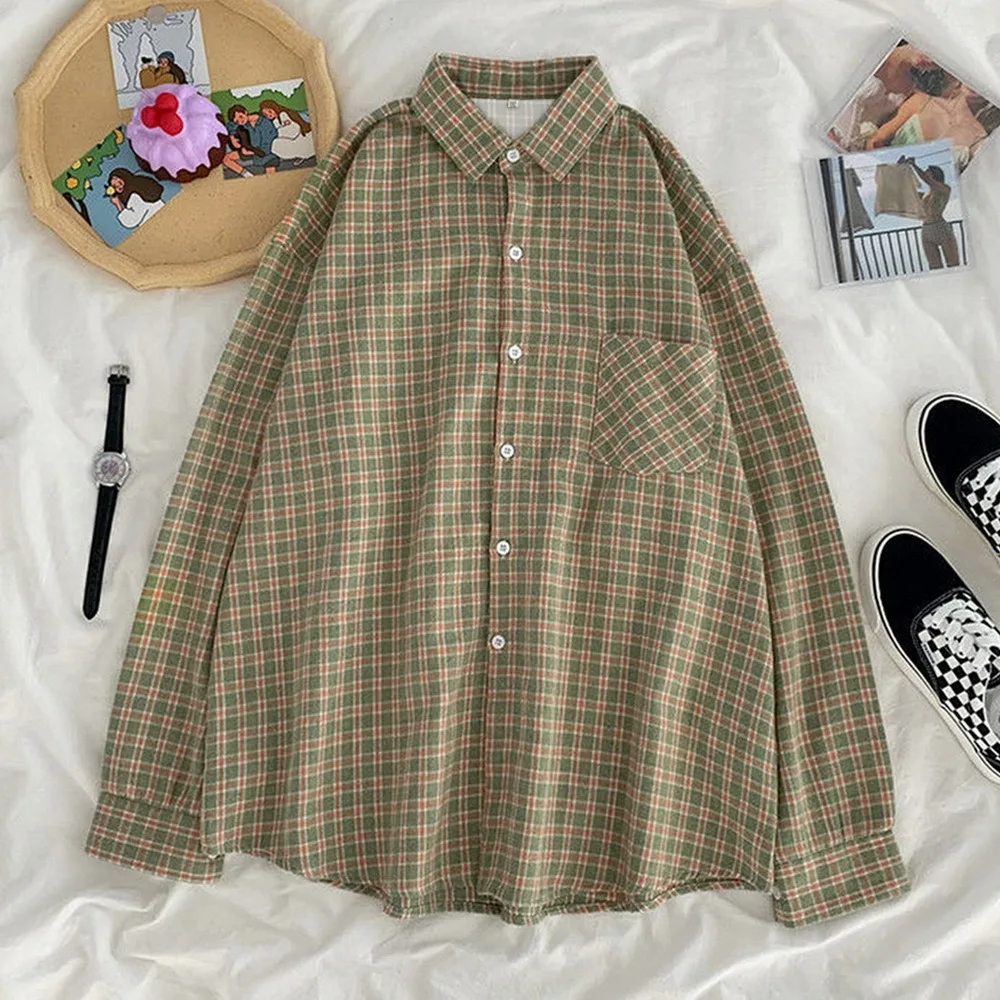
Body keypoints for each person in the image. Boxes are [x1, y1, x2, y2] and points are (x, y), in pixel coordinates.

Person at [865, 67, 988, 165]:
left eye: (986, 79)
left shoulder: (979, 141)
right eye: (976, 72)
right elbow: (875, 141)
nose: (976, 82)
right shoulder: (921, 102)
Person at [899, 155, 960, 269]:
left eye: (928, 172)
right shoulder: (925, 195)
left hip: (941, 228)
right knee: (935, 267)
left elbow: (927, 180)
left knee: (954, 265)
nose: (925, 173)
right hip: (927, 230)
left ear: (934, 175)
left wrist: (913, 165)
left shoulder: (944, 189)